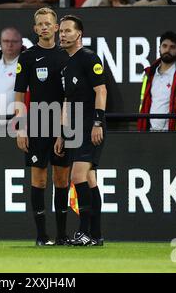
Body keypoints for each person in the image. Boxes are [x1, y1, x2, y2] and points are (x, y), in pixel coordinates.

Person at [14, 7, 71, 246]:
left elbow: (71, 95)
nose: (44, 27)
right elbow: (19, 95)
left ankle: (61, 236)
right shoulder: (27, 57)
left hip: (65, 124)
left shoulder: (68, 55)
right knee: (38, 180)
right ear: (35, 28)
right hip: (36, 122)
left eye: (49, 23)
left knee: (61, 180)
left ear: (56, 27)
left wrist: (64, 128)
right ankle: (41, 236)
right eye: (40, 24)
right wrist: (20, 127)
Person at [55, 14, 107, 246]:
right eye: (61, 31)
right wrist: (61, 132)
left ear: (79, 34)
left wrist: (97, 122)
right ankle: (96, 235)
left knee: (76, 177)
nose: (63, 35)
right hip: (75, 127)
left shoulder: (88, 58)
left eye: (67, 31)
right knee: (89, 179)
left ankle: (84, 233)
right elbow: (67, 100)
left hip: (89, 125)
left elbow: (101, 91)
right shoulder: (66, 64)